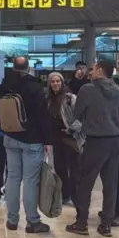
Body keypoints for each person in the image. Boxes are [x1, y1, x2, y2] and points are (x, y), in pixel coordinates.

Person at [0, 56, 53, 234]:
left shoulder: (3, 87)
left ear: (13, 67)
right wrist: (47, 139)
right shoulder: (35, 87)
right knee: (30, 180)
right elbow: (43, 115)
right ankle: (32, 221)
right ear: (28, 68)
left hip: (10, 137)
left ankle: (12, 220)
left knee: (12, 178)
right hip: (32, 140)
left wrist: (5, 127)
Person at [67, 59, 119, 238]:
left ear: (100, 70)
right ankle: (106, 224)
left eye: (92, 69)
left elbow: (76, 114)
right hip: (115, 140)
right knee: (110, 183)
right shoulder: (118, 91)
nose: (90, 72)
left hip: (95, 140)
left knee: (85, 181)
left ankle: (82, 222)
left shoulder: (87, 89)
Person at [47, 71, 79, 206]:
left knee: (73, 167)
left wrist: (72, 129)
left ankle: (75, 195)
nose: (55, 84)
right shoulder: (48, 99)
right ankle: (64, 194)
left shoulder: (70, 98)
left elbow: (81, 116)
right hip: (56, 137)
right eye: (53, 81)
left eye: (58, 81)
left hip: (70, 136)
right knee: (60, 167)